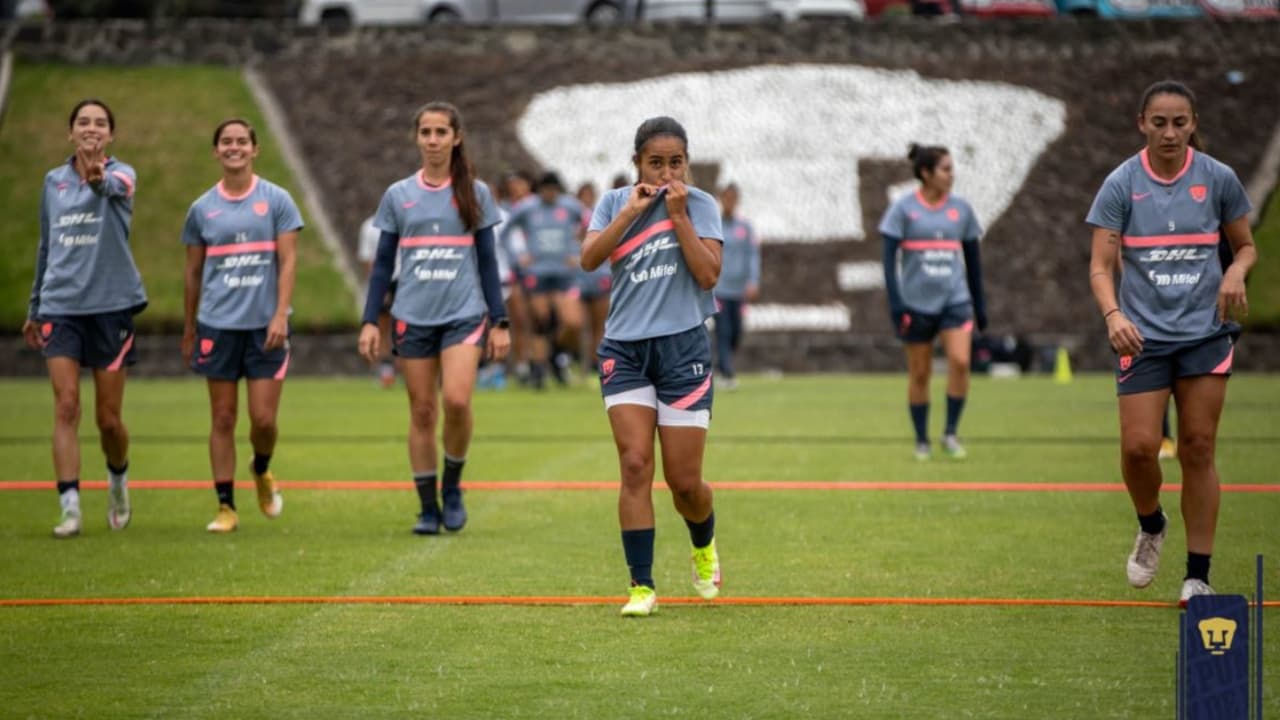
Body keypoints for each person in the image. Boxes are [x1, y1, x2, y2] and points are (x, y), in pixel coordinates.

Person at [1087, 80, 1255, 604]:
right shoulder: (1121, 184)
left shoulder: (1218, 179)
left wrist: (1235, 274)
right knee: (1140, 449)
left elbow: (1244, 246)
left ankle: (1197, 576)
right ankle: (1151, 523)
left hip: (1205, 333)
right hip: (1143, 336)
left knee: (1197, 448)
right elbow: (1099, 266)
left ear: (1193, 124)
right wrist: (1113, 314)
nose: (1170, 132)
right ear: (1142, 124)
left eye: (1180, 122)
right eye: (1159, 122)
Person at [581, 116, 724, 617]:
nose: (665, 173)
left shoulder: (702, 205)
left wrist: (679, 217)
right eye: (655, 163)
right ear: (637, 162)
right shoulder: (614, 203)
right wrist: (630, 214)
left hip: (682, 350)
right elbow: (589, 259)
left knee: (685, 483)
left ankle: (703, 544)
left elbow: (708, 275)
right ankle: (641, 586)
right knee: (635, 464)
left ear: (688, 162)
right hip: (624, 351)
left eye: (675, 162)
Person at [358, 101, 509, 535]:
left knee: (457, 401)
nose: (433, 140)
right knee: (423, 411)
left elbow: (487, 262)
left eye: (441, 132)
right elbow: (384, 264)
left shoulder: (475, 193)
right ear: (416, 138)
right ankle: (427, 508)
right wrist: (371, 320)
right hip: (411, 317)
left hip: (464, 315)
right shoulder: (398, 195)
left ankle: (454, 487)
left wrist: (500, 322)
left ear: (456, 137)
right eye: (426, 132)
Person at [24, 98, 147, 538]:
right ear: (70, 132)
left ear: (110, 134)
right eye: (82, 122)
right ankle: (70, 506)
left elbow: (109, 187)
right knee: (66, 405)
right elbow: (46, 245)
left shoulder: (122, 175)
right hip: (60, 308)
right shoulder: (52, 182)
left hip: (110, 307)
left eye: (99, 123)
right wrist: (35, 307)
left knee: (108, 419)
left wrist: (97, 177)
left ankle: (117, 479)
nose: (91, 128)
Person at [181, 118, 303, 533]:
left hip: (264, 327)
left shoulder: (277, 200)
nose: (234, 147)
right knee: (222, 418)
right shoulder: (202, 208)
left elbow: (287, 261)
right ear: (216, 151)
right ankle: (226, 506)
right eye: (226, 142)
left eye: (241, 141)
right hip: (217, 325)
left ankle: (262, 468)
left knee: (264, 422)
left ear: (255, 149)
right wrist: (189, 328)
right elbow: (193, 273)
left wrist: (279, 314)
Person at [879, 143, 987, 461]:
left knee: (961, 362)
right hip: (916, 305)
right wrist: (897, 304)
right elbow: (888, 261)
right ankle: (921, 439)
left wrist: (979, 305)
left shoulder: (962, 210)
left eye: (952, 168)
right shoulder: (902, 209)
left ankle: (951, 433)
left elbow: (973, 260)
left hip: (955, 301)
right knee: (920, 373)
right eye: (945, 169)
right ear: (926, 173)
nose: (951, 175)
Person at [502, 171, 586, 388]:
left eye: (553, 190)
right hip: (537, 274)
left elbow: (592, 224)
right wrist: (518, 259)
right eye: (545, 190)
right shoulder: (528, 207)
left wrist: (578, 252)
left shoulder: (570, 206)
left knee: (572, 322)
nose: (549, 194)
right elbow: (505, 232)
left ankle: (556, 354)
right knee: (540, 322)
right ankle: (539, 371)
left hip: (564, 275)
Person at [712, 183, 761, 391]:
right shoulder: (714, 225)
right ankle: (727, 372)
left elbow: (753, 255)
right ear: (721, 199)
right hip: (719, 289)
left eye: (733, 198)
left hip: (739, 290)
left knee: (736, 332)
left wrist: (753, 281)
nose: (729, 202)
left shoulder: (745, 227)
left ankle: (723, 363)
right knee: (723, 330)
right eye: (726, 198)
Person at [357, 214, 398, 388]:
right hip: (384, 279)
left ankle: (405, 369)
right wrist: (376, 287)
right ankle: (386, 371)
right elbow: (367, 259)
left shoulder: (404, 220)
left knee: (405, 327)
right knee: (382, 326)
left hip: (403, 278)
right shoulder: (369, 226)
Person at [575, 181, 611, 375]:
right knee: (581, 324)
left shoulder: (602, 215)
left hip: (601, 277)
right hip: (580, 278)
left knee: (600, 324)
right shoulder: (573, 217)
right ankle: (582, 364)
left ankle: (597, 364)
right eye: (584, 194)